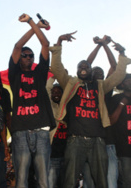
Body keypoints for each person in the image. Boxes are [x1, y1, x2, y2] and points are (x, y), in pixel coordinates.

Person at [49, 32, 131, 188]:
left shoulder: (100, 86)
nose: (83, 68)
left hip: (98, 141)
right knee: (69, 181)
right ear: (77, 70)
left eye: (87, 66)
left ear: (91, 71)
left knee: (102, 182)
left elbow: (118, 76)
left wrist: (122, 53)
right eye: (81, 66)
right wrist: (59, 42)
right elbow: (57, 68)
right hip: (75, 140)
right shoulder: (71, 84)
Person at [8, 13, 55, 188]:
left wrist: (33, 23)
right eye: (25, 55)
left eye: (31, 56)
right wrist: (33, 25)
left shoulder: (40, 73)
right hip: (20, 131)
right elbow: (17, 46)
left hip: (42, 131)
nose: (28, 57)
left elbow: (45, 44)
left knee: (43, 180)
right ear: (19, 59)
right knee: (21, 179)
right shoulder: (14, 74)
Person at [84, 35, 118, 188]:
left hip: (107, 141)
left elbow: (114, 66)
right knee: (90, 182)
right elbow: (86, 64)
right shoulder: (85, 88)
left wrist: (104, 45)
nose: (99, 74)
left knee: (110, 182)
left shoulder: (106, 88)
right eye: (95, 72)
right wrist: (98, 45)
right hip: (88, 140)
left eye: (101, 73)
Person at [108, 74, 131, 188]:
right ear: (122, 84)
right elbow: (111, 121)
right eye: (128, 80)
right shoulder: (116, 99)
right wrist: (122, 104)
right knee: (127, 182)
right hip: (124, 150)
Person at [46, 76, 66, 188]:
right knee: (51, 184)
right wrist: (55, 76)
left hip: (67, 154)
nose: (56, 94)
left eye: (59, 92)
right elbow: (47, 88)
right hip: (53, 154)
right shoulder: (50, 105)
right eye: (54, 92)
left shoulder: (67, 106)